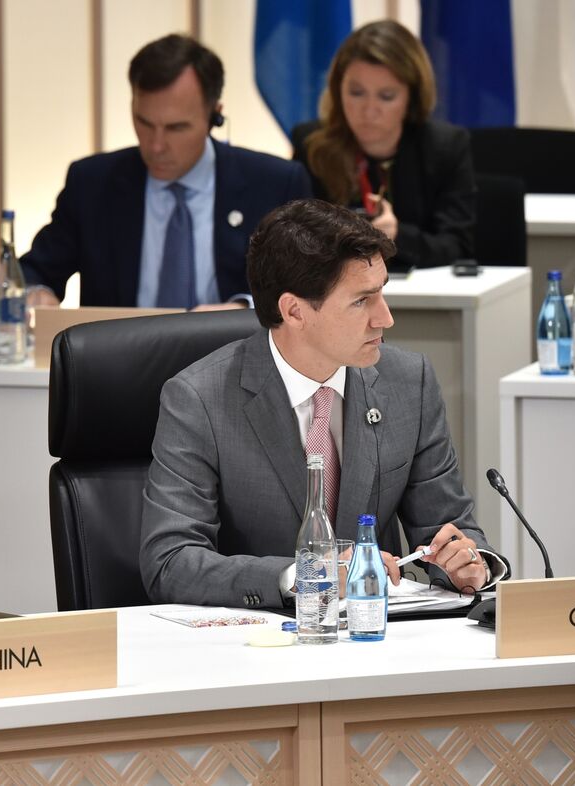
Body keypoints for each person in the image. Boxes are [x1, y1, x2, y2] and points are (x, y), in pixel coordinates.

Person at [139, 199, 508, 609]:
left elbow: (450, 528)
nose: (385, 318)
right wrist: (307, 576)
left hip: (378, 633)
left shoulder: (409, 382)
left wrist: (471, 564)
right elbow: (169, 562)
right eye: (361, 301)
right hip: (261, 635)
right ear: (294, 311)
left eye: (382, 293)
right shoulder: (199, 399)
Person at [21, 34, 311, 310]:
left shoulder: (275, 184)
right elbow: (32, 273)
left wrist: (242, 311)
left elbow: (308, 288)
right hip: (119, 347)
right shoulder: (92, 183)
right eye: (144, 123)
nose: (156, 146)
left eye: (176, 127)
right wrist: (35, 294)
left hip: (235, 346)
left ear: (214, 116)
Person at [291, 20, 475, 272]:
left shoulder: (445, 147)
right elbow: (292, 243)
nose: (369, 110)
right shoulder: (311, 145)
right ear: (337, 90)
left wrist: (397, 235)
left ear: (411, 97)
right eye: (356, 93)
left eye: (386, 96)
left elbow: (457, 247)